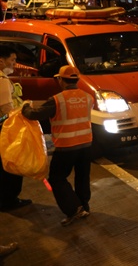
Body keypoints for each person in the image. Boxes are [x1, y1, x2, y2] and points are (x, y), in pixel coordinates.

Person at [21, 65, 94, 226]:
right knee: (82, 177)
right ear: (77, 79)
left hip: (66, 146)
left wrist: (25, 105)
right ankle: (85, 206)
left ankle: (74, 209)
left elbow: (33, 115)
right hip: (86, 145)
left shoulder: (57, 100)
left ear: (61, 80)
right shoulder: (89, 97)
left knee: (57, 178)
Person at [0, 45, 32, 212]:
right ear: (1, 60)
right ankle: (9, 199)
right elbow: (6, 108)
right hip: (4, 127)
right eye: (12, 60)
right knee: (11, 164)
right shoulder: (2, 80)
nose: (14, 64)